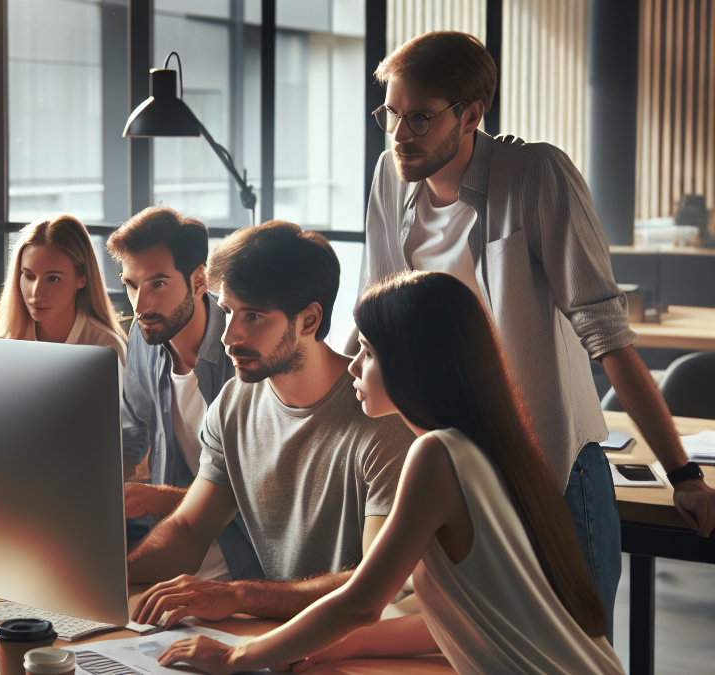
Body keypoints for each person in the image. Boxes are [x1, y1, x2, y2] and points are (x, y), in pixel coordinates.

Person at [358, 31, 715, 637]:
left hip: (547, 460)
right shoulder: (392, 178)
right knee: (479, 645)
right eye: (391, 113)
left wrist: (682, 474)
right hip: (452, 458)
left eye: (419, 117)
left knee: (574, 643)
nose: (399, 135)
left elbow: (607, 333)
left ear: (472, 114)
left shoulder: (536, 175)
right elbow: (379, 322)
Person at [156, 271, 625, 675]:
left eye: (368, 351)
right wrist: (341, 644)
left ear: (414, 363)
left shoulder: (436, 456)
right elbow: (451, 618)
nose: (354, 365)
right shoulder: (480, 447)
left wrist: (238, 656)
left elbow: (362, 602)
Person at [129, 221, 413, 624]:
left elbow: (379, 583)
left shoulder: (381, 418)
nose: (229, 336)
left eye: (254, 317)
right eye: (227, 311)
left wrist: (239, 595)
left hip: (356, 647)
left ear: (309, 320)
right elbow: (190, 529)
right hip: (270, 636)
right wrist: (109, 573)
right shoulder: (233, 404)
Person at [107, 206, 261, 582]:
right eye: (131, 285)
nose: (140, 306)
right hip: (171, 557)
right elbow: (129, 441)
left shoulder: (246, 351)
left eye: (158, 284)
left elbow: (265, 498)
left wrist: (157, 498)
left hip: (245, 567)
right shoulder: (145, 340)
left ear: (198, 281)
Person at [0, 215, 126, 365]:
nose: (36, 292)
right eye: (29, 276)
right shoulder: (5, 342)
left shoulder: (105, 347)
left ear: (82, 277)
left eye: (53, 279)